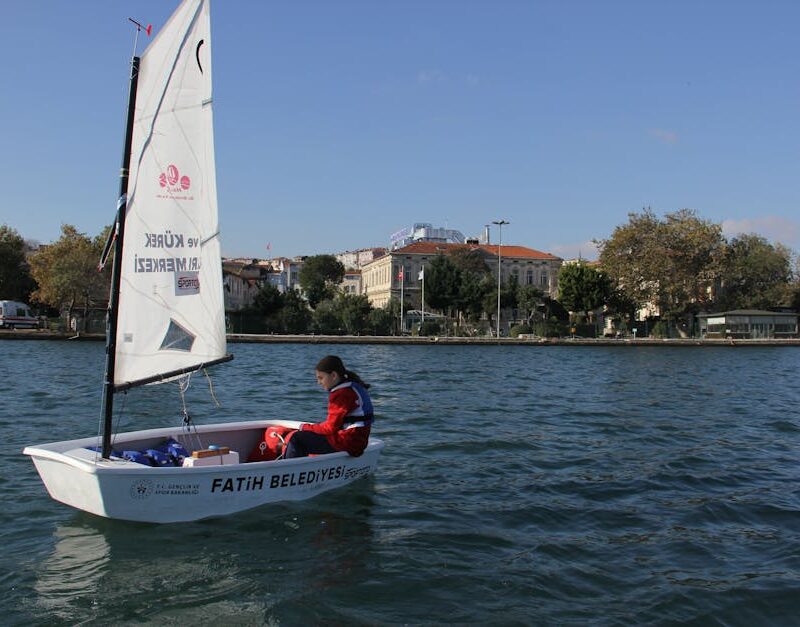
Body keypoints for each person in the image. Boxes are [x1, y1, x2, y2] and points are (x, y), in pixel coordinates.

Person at [284, 355, 374, 459]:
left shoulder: (342, 393)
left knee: (296, 438)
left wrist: (303, 427)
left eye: (321, 378)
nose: (319, 382)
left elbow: (329, 428)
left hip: (348, 441)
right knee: (307, 435)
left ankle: (289, 471)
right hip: (357, 440)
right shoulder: (354, 386)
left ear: (334, 375)